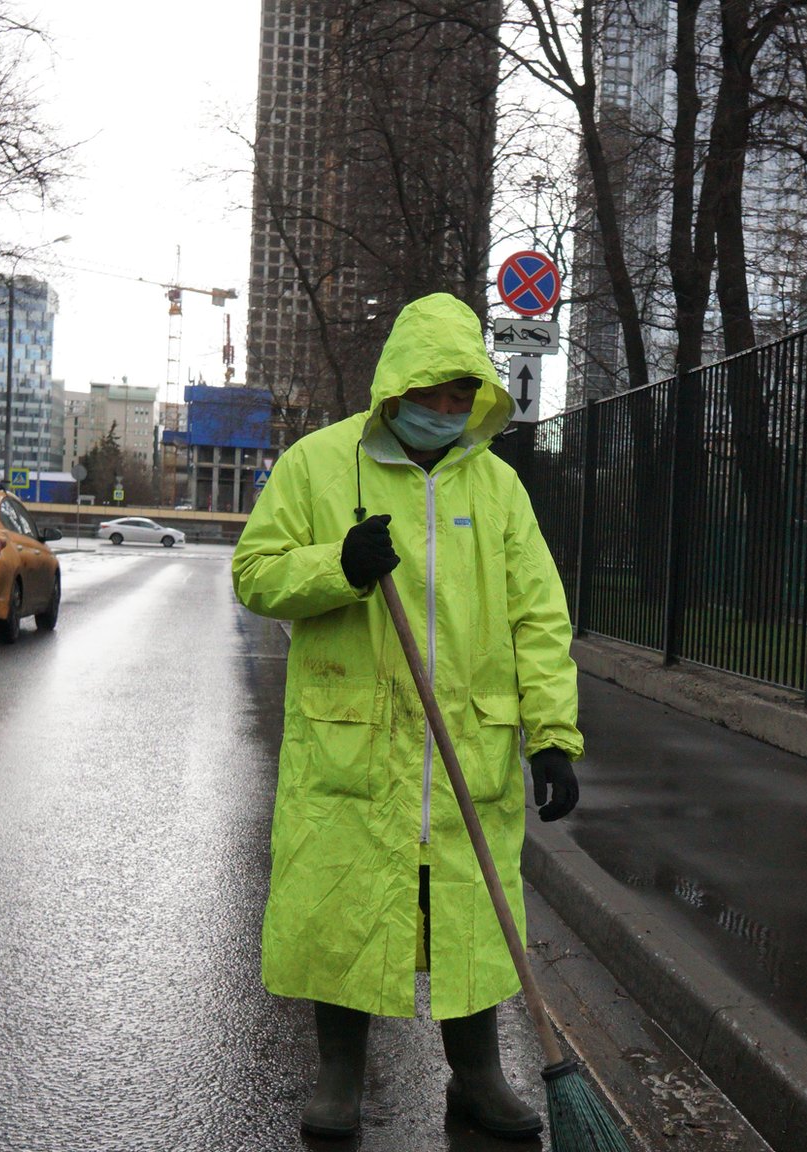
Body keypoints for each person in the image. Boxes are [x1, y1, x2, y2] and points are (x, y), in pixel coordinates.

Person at [232, 292, 582, 1141]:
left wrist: (554, 737)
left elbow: (539, 617)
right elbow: (255, 573)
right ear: (397, 388)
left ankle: (477, 1078)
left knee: (470, 914)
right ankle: (339, 1076)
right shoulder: (319, 466)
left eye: (463, 395)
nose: (446, 410)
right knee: (345, 907)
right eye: (433, 393)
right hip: (356, 745)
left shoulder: (497, 487)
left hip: (471, 746)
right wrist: (338, 566)